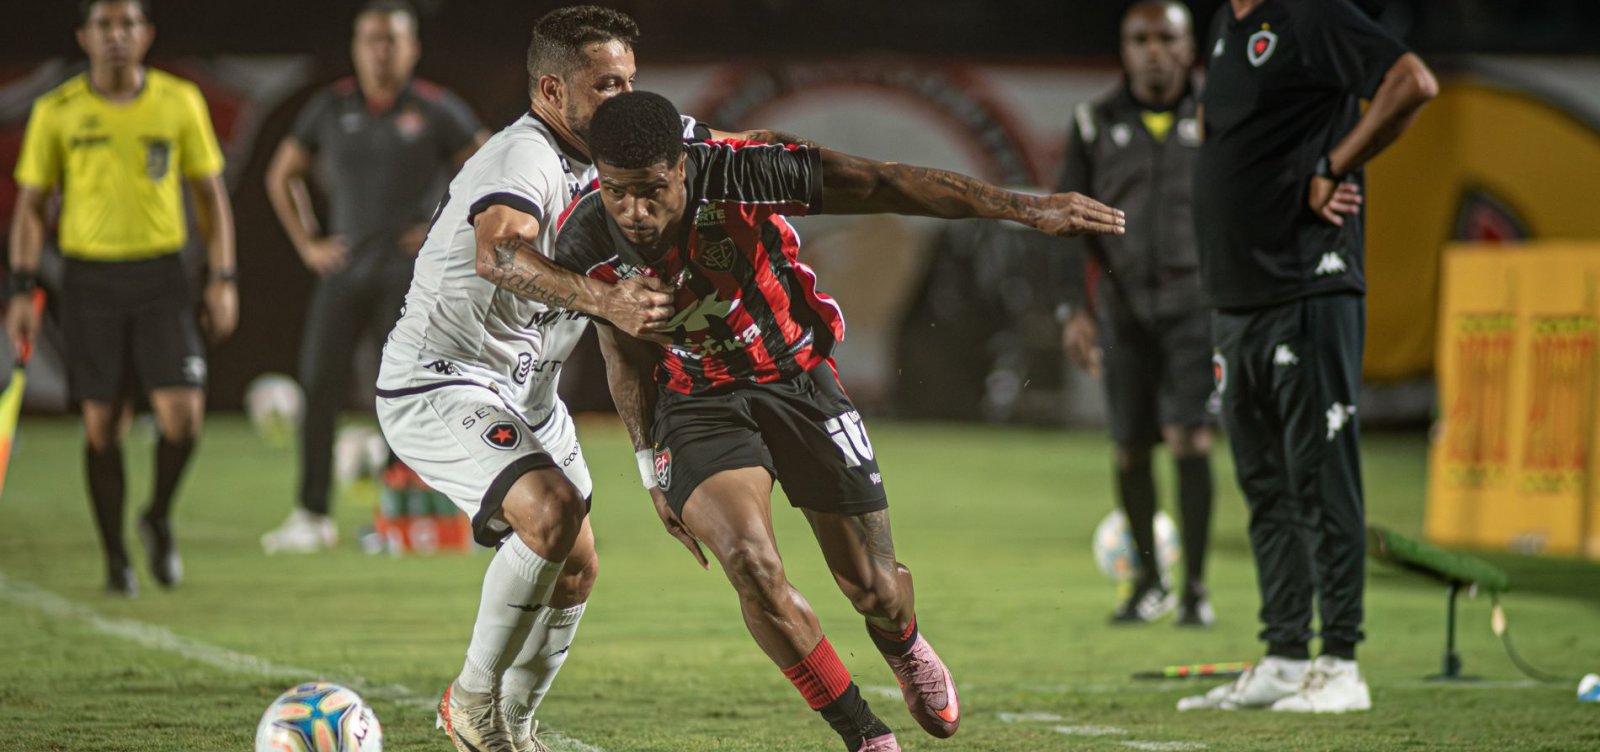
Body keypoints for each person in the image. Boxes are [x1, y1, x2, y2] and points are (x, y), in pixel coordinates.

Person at [553, 91, 1124, 752]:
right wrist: (651, 465)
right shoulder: (583, 235)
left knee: (874, 588)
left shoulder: (743, 169)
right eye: (620, 192)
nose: (637, 212)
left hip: (795, 377)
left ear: (684, 167)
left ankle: (903, 643)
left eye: (653, 190)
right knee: (750, 564)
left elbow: (884, 182)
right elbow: (620, 348)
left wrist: (1025, 208)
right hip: (697, 401)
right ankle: (863, 734)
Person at [372, 7, 786, 751]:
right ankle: (469, 704)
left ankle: (517, 731)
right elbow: (497, 254)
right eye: (606, 85)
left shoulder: (617, 163)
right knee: (551, 513)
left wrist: (647, 462)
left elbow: (618, 334)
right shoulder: (523, 159)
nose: (624, 99)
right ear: (553, 92)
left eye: (630, 81)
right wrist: (606, 299)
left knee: (576, 569)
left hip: (530, 390)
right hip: (443, 379)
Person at [1178, 0, 1436, 713]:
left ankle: (1342, 663)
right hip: (1238, 298)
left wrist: (1334, 162)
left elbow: (1412, 81)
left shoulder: (1312, 14)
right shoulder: (1228, 26)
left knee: (1323, 479)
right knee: (1265, 486)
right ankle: (1287, 655)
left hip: (1307, 285)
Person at [6, 0, 237, 596]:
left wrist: (222, 277)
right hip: (90, 281)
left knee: (182, 416)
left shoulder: (177, 101)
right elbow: (31, 208)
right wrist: (20, 287)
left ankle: (156, 515)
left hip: (162, 277)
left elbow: (211, 197)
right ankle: (115, 558)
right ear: (84, 36)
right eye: (105, 24)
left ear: (146, 34)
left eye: (128, 24)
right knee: (102, 426)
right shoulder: (57, 111)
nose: (117, 35)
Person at [260, 0, 488, 554]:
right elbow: (281, 174)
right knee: (320, 387)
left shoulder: (435, 108)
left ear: (412, 48)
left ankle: (398, 517)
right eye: (372, 39)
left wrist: (442, 225)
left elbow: (488, 165)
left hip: (408, 281)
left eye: (392, 40)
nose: (381, 50)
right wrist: (309, 243)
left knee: (408, 395)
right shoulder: (330, 107)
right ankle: (312, 514)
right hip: (342, 274)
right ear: (357, 47)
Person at [1057, 0, 1215, 626]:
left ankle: (1196, 588)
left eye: (1165, 38)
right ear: (1124, 48)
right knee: (1128, 448)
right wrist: (1075, 308)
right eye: (1140, 38)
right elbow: (1066, 223)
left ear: (1188, 47)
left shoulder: (1217, 117)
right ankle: (1149, 583)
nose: (1153, 49)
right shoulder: (1094, 122)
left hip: (1194, 307)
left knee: (1190, 437)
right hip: (1121, 310)